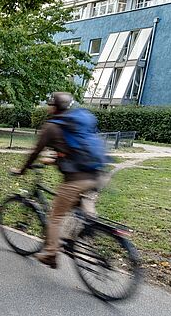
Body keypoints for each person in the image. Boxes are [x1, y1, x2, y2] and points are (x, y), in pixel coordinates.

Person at [11, 92, 107, 269]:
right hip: (96, 175)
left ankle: (50, 254)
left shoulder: (52, 127)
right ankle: (86, 240)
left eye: (49, 104)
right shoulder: (76, 123)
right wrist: (55, 159)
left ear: (54, 107)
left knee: (55, 216)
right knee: (82, 214)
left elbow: (35, 152)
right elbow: (74, 151)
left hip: (76, 180)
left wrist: (22, 170)